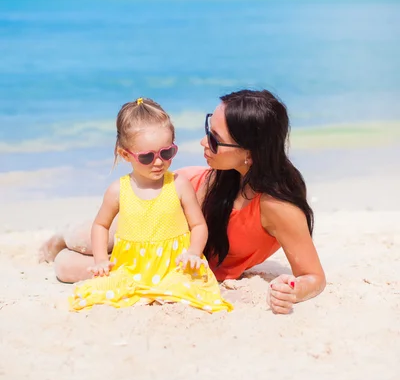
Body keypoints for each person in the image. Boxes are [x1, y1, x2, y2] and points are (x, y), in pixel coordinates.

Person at [42, 89, 326, 315]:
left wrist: (291, 290)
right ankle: (61, 235)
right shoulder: (222, 178)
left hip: (176, 256)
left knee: (67, 267)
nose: (203, 142)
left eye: (215, 139)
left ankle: (65, 246)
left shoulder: (278, 207)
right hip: (153, 210)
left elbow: (313, 276)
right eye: (208, 128)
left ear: (248, 154)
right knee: (83, 237)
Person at [68, 97, 232, 313]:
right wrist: (101, 260)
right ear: (125, 154)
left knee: (188, 290)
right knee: (98, 290)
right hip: (131, 268)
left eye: (167, 152)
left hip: (175, 266)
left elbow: (198, 226)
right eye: (147, 157)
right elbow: (100, 225)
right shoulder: (118, 190)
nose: (158, 162)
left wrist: (193, 252)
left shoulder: (179, 184)